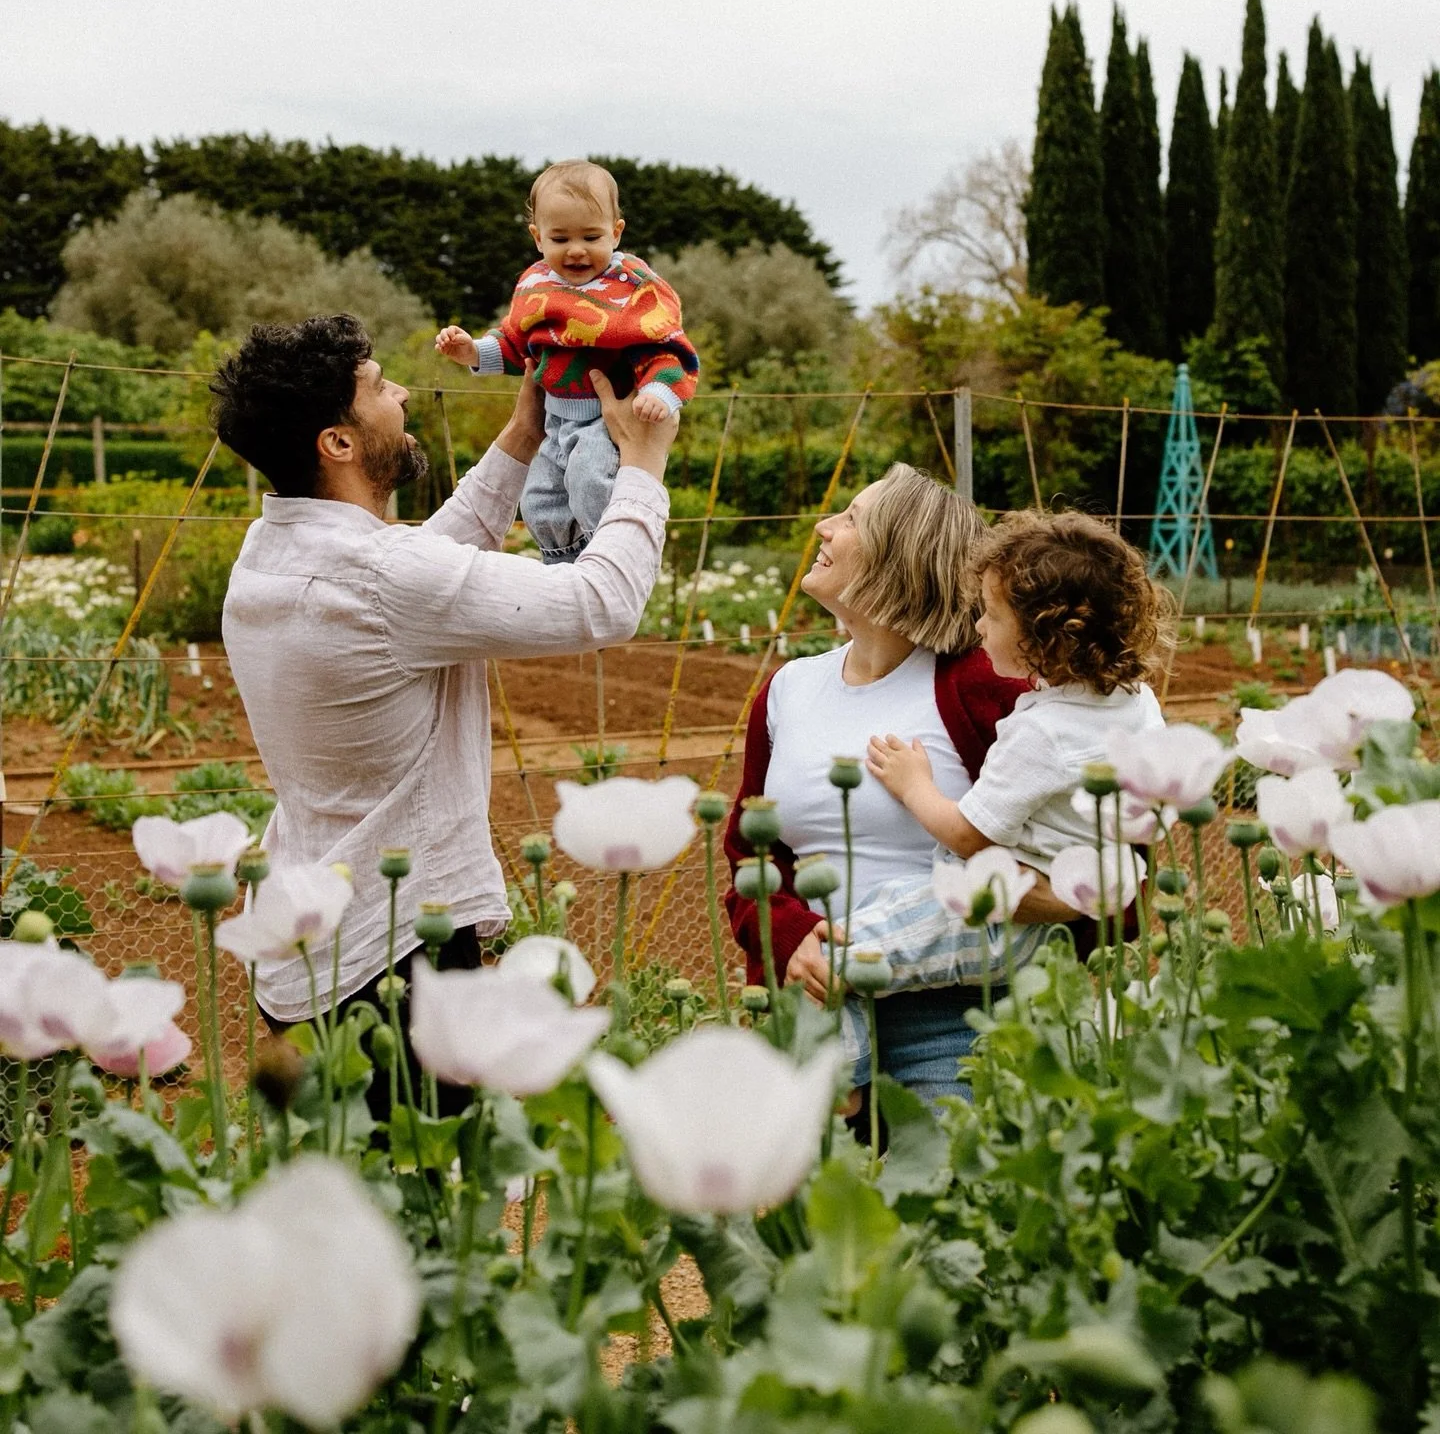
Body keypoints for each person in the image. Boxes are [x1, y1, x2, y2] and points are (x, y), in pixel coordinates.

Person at [211, 313, 676, 1071]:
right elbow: (604, 603)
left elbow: (415, 566)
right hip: (393, 955)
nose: (399, 392)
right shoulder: (384, 576)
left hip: (303, 944)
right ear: (339, 442)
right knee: (436, 1180)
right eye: (375, 388)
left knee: (354, 1175)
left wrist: (524, 436)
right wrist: (643, 467)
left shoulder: (267, 555)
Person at [722, 465, 1077, 1105]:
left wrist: (1056, 907)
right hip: (818, 1005)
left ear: (900, 553)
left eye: (853, 518)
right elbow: (751, 855)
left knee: (946, 1199)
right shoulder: (788, 690)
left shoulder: (986, 685)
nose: (824, 528)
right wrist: (791, 935)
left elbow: (1092, 843)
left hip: (955, 1016)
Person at [838, 509, 1170, 1072]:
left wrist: (914, 786)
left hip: (998, 921)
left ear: (1047, 636)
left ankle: (843, 1079)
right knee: (864, 915)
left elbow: (970, 834)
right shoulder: (1136, 701)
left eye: (992, 616)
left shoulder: (1040, 733)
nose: (979, 629)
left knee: (833, 952)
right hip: (1055, 911)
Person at [435, 160, 700, 563]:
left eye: (591, 236)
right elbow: (516, 342)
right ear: (538, 238)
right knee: (539, 497)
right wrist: (472, 351)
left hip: (607, 419)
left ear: (616, 231)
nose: (576, 250)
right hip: (553, 420)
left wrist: (659, 391)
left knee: (591, 480)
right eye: (560, 238)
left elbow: (665, 346)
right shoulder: (537, 284)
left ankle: (613, 558)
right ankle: (562, 561)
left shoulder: (630, 288)